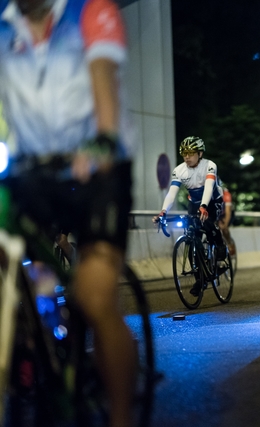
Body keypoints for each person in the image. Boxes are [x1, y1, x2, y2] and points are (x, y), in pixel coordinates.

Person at [0, 0, 137, 425]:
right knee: (22, 274)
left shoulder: (91, 13)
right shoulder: (3, 29)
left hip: (99, 169)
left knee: (94, 298)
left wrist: (102, 140)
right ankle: (35, 348)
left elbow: (104, 84)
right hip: (33, 173)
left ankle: (120, 416)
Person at [153, 136, 227, 294]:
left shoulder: (209, 166)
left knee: (207, 224)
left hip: (213, 201)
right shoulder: (179, 170)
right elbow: (171, 194)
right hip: (194, 203)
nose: (186, 157)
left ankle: (219, 246)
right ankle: (200, 279)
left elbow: (208, 187)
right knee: (192, 236)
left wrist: (204, 206)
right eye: (184, 153)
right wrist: (163, 211)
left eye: (190, 153)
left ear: (200, 153)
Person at [218, 180, 236, 257]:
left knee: (224, 228)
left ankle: (229, 243)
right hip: (218, 213)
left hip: (227, 213)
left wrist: (225, 225)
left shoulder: (226, 194)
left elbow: (228, 212)